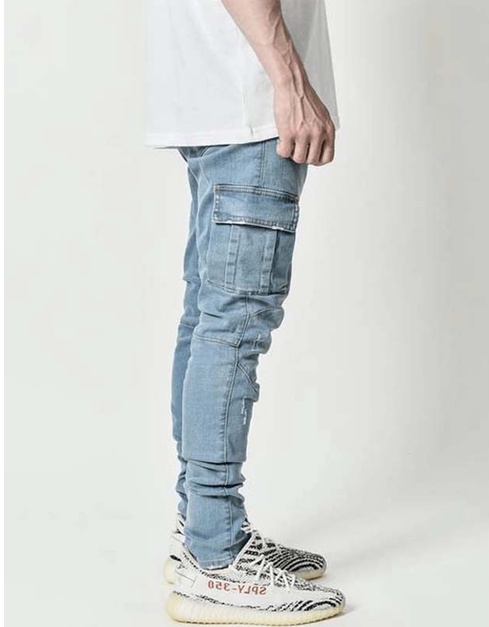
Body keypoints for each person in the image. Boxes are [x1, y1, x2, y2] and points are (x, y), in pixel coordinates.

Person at [145, 1, 345, 623]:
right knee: (233, 325)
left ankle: (202, 529)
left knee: (209, 317)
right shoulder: (264, 94)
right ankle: (216, 557)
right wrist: (290, 82)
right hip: (252, 106)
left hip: (216, 97)